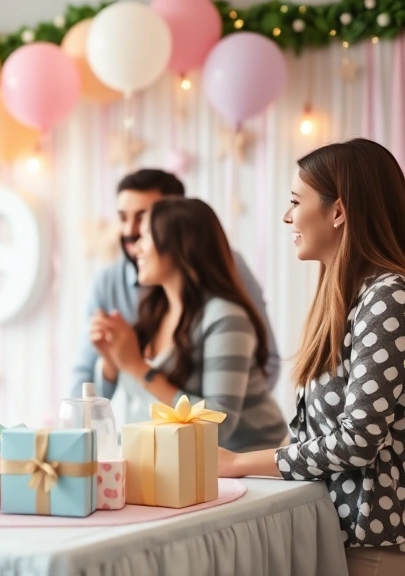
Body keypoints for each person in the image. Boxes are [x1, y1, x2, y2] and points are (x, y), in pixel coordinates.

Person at [217, 139, 405, 575]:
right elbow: (312, 437)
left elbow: (357, 442)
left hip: (370, 542)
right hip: (331, 533)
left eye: (296, 201)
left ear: (338, 211)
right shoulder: (348, 299)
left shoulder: (389, 298)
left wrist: (239, 463)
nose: (288, 216)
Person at [90, 198, 287, 451]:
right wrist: (111, 360)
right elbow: (115, 395)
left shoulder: (225, 318)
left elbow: (219, 425)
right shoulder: (156, 311)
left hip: (249, 462)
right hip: (184, 459)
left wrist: (137, 367)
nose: (136, 248)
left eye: (146, 236)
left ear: (178, 246)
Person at [72, 169, 280, 397]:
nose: (130, 232)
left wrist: (237, 400)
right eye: (123, 218)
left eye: (144, 220)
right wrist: (112, 362)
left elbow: (260, 367)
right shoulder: (131, 293)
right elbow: (90, 380)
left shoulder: (224, 307)